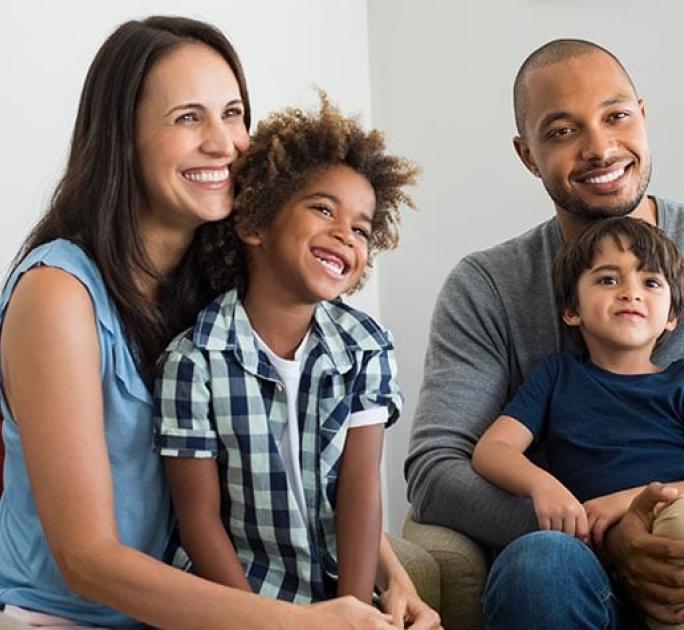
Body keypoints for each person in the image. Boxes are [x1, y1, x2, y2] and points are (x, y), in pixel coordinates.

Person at [0, 16, 436, 630]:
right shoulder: (58, 294)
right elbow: (86, 560)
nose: (224, 142)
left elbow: (306, 478)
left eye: (233, 113)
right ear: (123, 137)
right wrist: (299, 624)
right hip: (65, 619)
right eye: (188, 117)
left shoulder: (223, 291)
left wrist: (392, 582)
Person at [405, 38, 684, 628]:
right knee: (539, 565)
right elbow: (436, 470)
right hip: (572, 562)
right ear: (528, 155)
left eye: (616, 116)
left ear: (643, 117)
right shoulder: (489, 287)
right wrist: (601, 530)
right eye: (562, 131)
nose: (600, 148)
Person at [153, 94, 429, 616]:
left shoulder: (366, 348)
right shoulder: (191, 363)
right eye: (324, 209)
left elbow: (359, 492)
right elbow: (198, 521)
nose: (345, 233)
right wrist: (260, 622)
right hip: (234, 604)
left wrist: (352, 613)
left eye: (362, 228)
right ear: (255, 223)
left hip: (337, 599)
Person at [472, 216, 684, 628]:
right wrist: (542, 486)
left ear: (672, 316)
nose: (631, 292)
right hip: (589, 567)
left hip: (674, 540)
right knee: (537, 559)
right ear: (572, 309)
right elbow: (492, 450)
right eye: (608, 279)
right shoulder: (556, 376)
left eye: (651, 282)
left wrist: (622, 502)